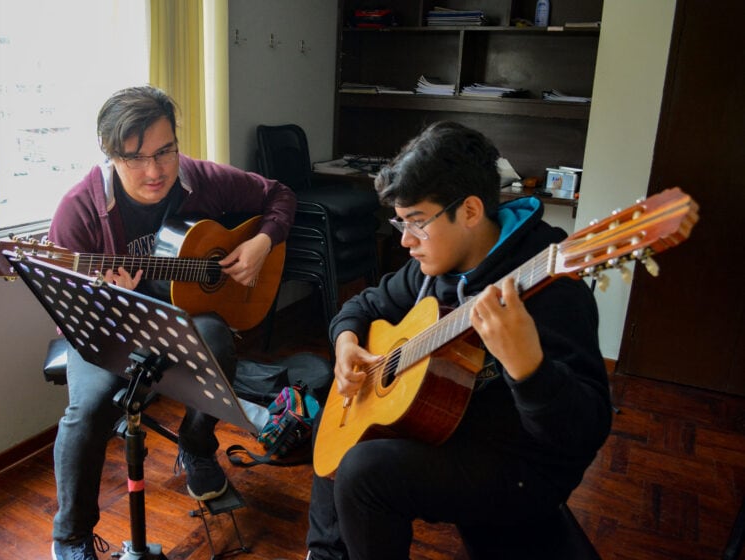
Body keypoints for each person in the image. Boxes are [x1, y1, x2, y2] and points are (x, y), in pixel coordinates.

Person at [305, 121, 612, 560]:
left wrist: (530, 369)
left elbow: (582, 433)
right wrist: (346, 343)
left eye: (416, 222)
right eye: (400, 222)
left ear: (469, 211)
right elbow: (366, 305)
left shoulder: (552, 290)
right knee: (336, 408)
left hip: (522, 466)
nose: (406, 241)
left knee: (363, 471)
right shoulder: (436, 264)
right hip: (451, 425)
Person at [46, 85, 296, 560]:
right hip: (104, 327)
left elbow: (280, 195)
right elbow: (66, 311)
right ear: (109, 154)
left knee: (218, 339)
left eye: (165, 152)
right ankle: (71, 538)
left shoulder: (199, 179)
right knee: (91, 406)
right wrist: (107, 299)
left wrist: (262, 241)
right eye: (135, 158)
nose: (155, 171)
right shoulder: (78, 210)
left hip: (177, 317)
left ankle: (197, 446)